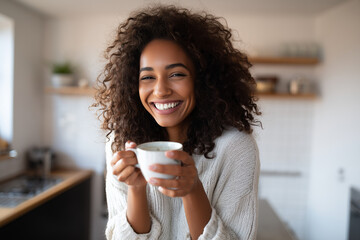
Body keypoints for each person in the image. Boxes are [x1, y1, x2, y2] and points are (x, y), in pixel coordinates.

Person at [93, 5, 261, 240]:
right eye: (148, 77)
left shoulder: (235, 148)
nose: (160, 90)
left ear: (201, 80)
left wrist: (192, 190)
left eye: (177, 74)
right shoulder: (119, 143)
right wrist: (137, 189)